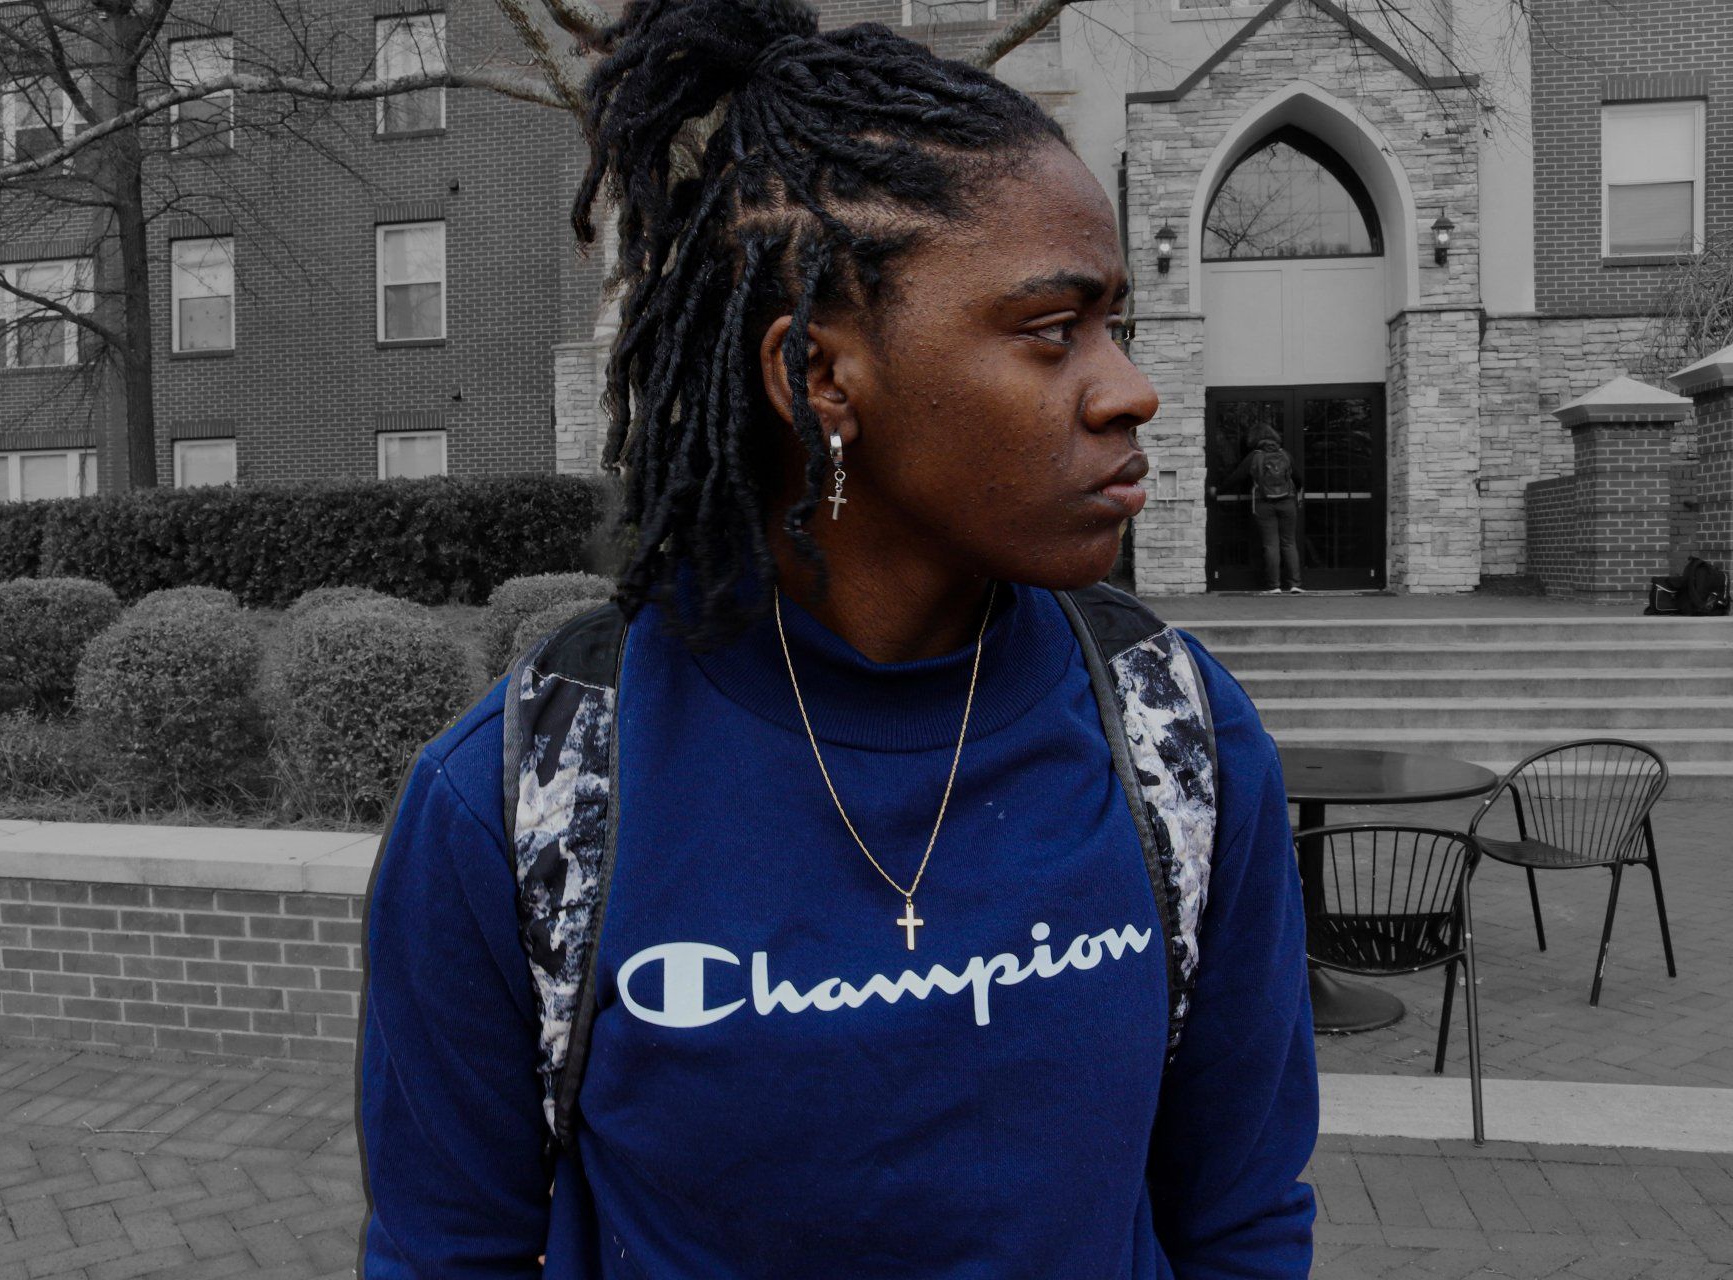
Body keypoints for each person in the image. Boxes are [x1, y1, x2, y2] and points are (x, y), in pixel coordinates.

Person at [356, 0, 1318, 1275]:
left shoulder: (1174, 736)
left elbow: (1241, 1217)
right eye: (1050, 330)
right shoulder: (527, 792)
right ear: (818, 375)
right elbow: (446, 1253)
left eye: (1115, 324)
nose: (1126, 386)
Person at [1225, 430, 1304, 594]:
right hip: (1288, 502)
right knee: (1289, 543)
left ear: (1254, 440)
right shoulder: (1285, 454)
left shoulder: (1255, 456)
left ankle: (1274, 585)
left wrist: (1218, 490)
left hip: (1264, 503)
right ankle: (1295, 583)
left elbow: (1237, 477)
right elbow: (1298, 479)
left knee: (1271, 545)